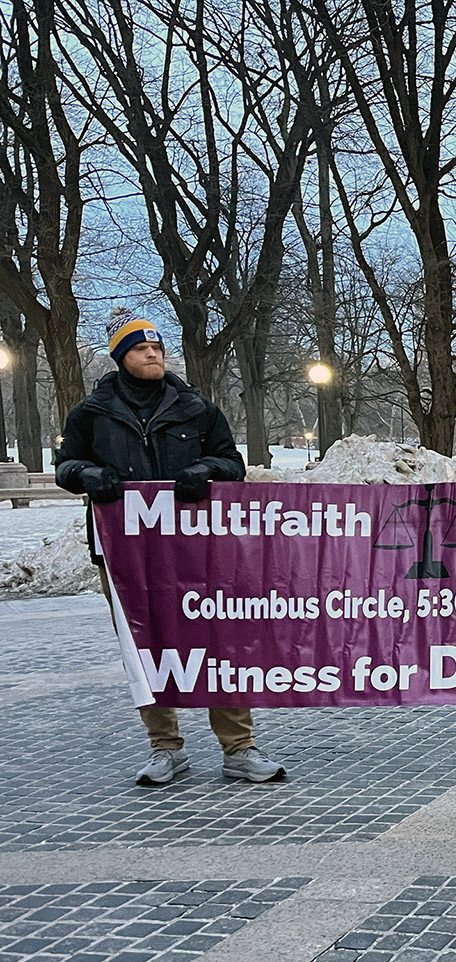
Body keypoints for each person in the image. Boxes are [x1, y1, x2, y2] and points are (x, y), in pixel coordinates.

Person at [56, 308, 287, 786]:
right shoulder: (91, 413)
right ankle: (165, 748)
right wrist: (86, 474)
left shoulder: (195, 407)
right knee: (145, 646)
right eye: (142, 349)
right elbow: (66, 466)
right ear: (121, 357)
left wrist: (206, 471)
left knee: (219, 642)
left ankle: (239, 747)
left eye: (158, 348)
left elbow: (231, 461)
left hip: (199, 551)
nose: (153, 355)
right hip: (124, 556)